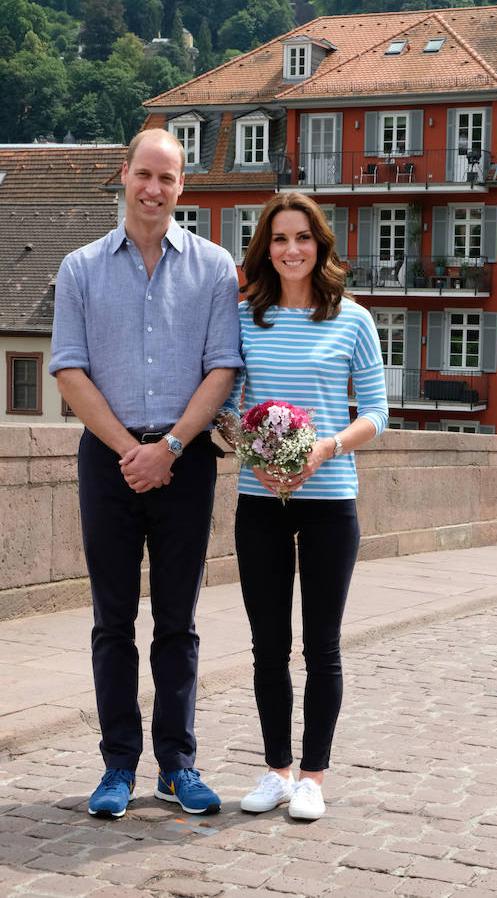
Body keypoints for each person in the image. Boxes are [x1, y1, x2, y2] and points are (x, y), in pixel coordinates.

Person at [49, 128, 242, 819]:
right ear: (123, 175)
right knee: (111, 621)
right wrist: (131, 450)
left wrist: (170, 448)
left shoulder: (215, 267)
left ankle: (177, 765)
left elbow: (224, 366)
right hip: (107, 461)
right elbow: (68, 368)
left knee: (179, 622)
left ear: (182, 186)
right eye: (144, 175)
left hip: (186, 463)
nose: (154, 189)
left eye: (168, 177)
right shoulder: (80, 268)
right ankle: (118, 766)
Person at [218, 193, 388, 820]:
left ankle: (313, 775)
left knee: (323, 644)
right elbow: (227, 403)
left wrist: (326, 447)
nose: (292, 249)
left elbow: (376, 412)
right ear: (265, 248)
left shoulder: (353, 320)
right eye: (279, 239)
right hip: (260, 500)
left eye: (303, 237)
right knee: (268, 645)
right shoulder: (243, 316)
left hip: (329, 499)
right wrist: (251, 450)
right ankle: (276, 771)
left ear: (321, 245)